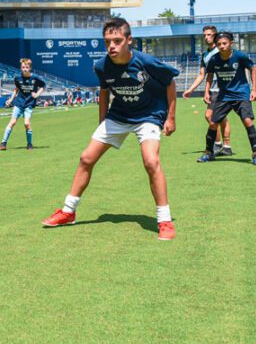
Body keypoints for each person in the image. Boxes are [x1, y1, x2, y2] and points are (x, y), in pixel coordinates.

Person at [41, 18, 179, 240]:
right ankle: (68, 211)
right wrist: (102, 123)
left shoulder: (146, 62)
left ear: (128, 40)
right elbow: (104, 92)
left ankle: (164, 220)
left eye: (116, 41)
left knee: (151, 162)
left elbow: (170, 82)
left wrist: (170, 118)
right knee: (86, 158)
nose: (111, 46)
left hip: (148, 116)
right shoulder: (101, 66)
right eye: (107, 42)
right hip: (118, 116)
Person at [198, 31, 256, 165]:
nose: (222, 46)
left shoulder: (240, 56)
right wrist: (206, 91)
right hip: (224, 95)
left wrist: (254, 89)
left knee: (248, 122)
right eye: (219, 44)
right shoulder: (214, 59)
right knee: (212, 123)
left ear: (231, 43)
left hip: (241, 94)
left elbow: (253, 69)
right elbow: (209, 75)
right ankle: (209, 153)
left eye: (224, 43)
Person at [182, 25, 232, 155]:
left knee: (210, 116)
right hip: (213, 89)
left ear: (215, 36)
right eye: (204, 35)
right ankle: (226, 147)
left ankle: (218, 145)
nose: (206, 37)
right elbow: (202, 74)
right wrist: (190, 89)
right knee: (221, 118)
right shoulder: (205, 55)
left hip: (222, 89)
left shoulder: (222, 50)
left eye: (209, 35)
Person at [0, 58, 45, 151]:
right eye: (23, 67)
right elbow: (16, 89)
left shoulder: (35, 78)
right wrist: (11, 99)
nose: (25, 69)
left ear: (30, 68)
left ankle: (29, 144)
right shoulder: (17, 78)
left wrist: (36, 94)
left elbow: (43, 86)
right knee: (12, 122)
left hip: (29, 104)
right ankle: (3, 143)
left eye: (27, 67)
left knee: (27, 123)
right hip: (19, 103)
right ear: (21, 67)